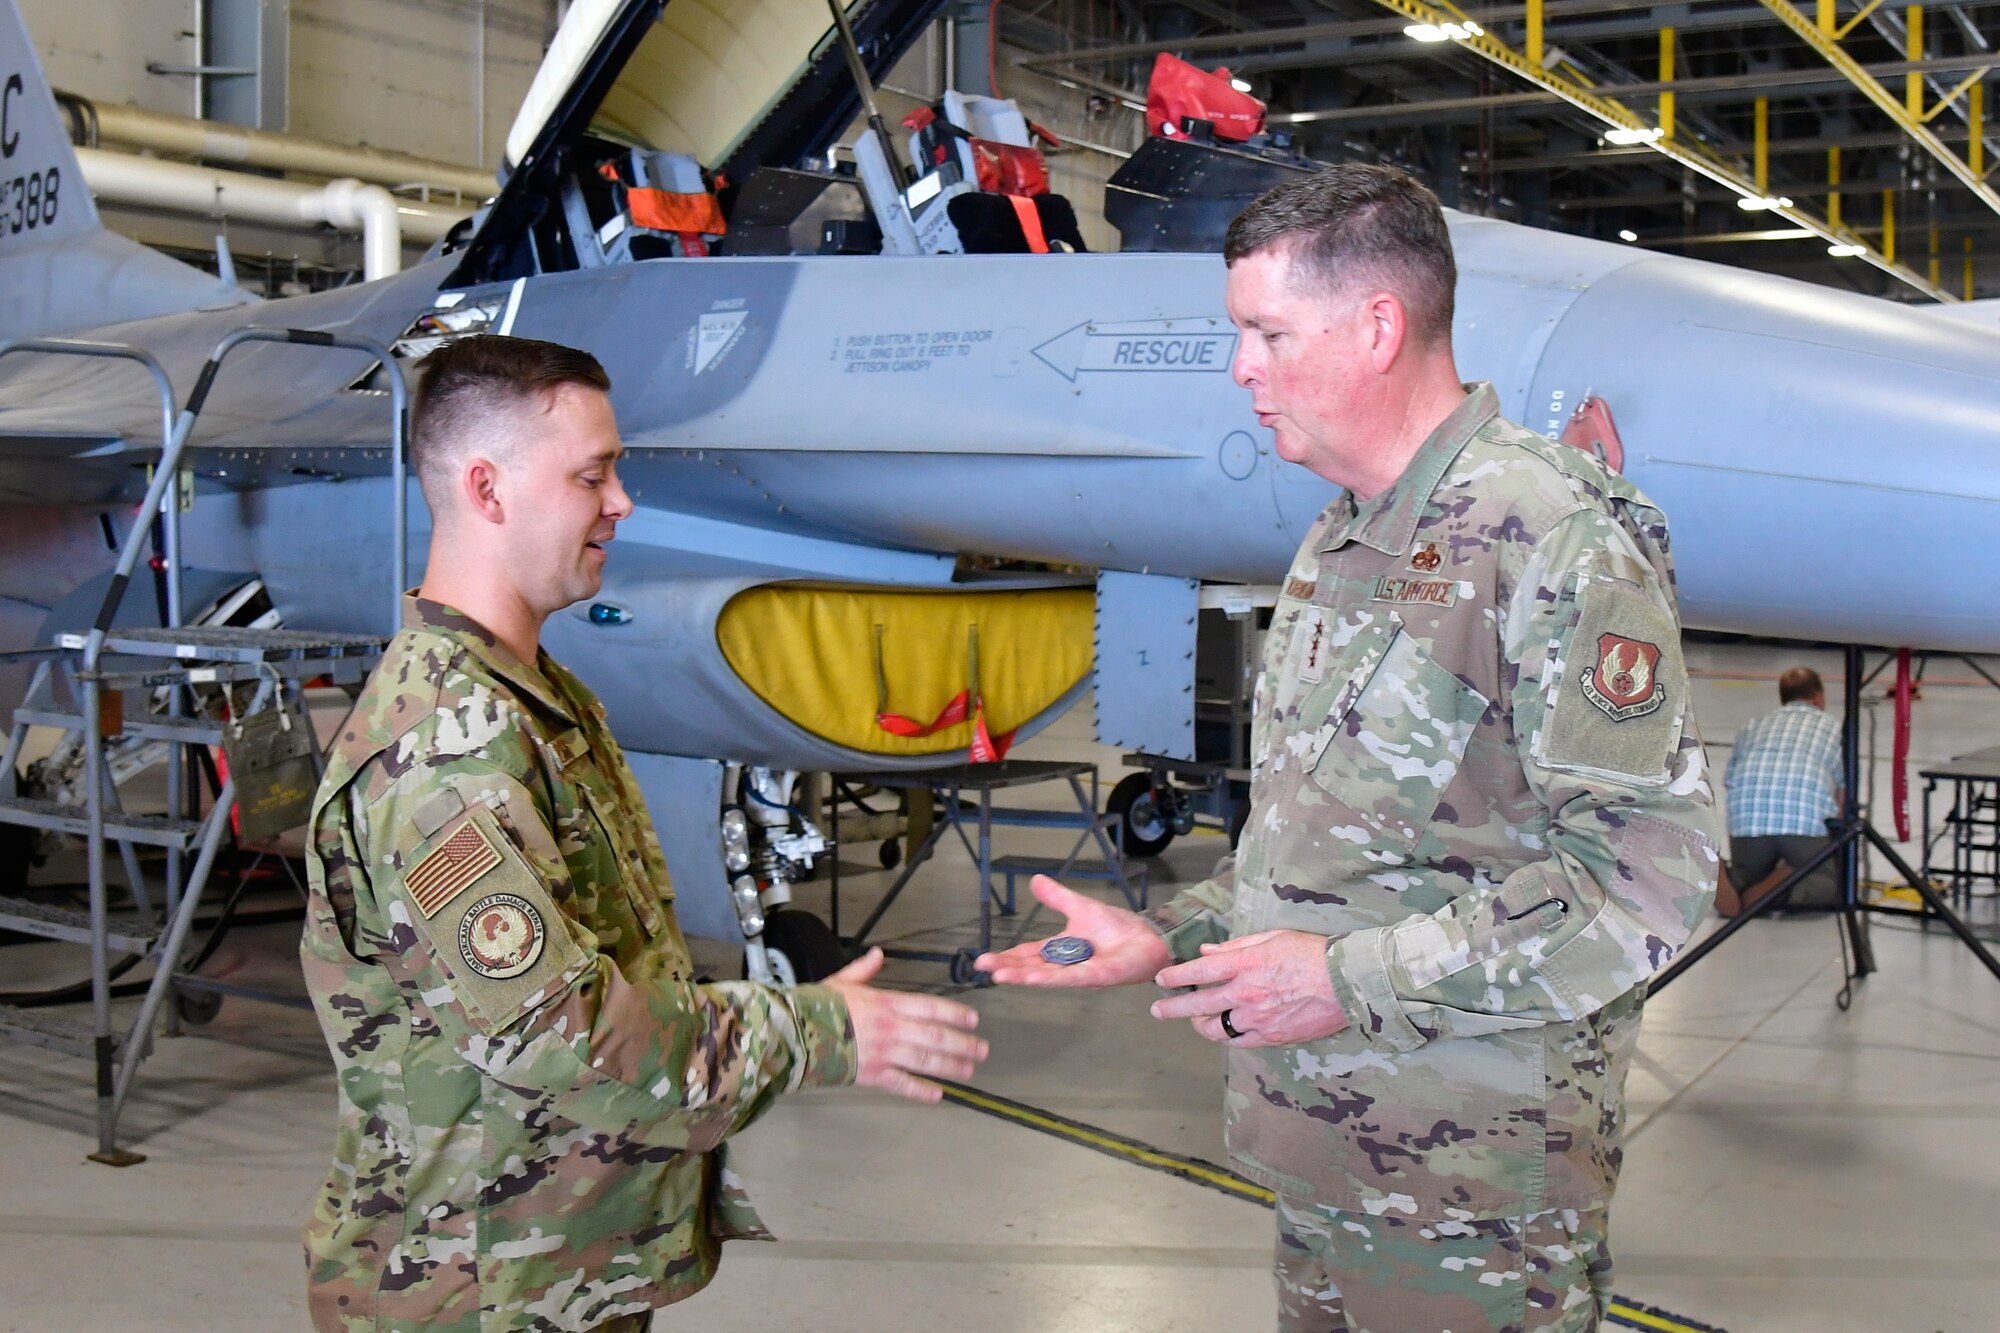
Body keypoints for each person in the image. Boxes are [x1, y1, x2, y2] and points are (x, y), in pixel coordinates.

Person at [980, 165, 1720, 1332]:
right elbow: (1330, 843)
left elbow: (1641, 885)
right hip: (1327, 1149)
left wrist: (1338, 981)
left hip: (1474, 1190)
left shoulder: (1552, 536)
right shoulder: (1343, 536)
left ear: (1377, 327)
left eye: (1265, 332)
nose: (1241, 369)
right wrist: (1171, 933)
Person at [300, 334, 988, 1332]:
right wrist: (812, 1032)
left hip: (551, 1271)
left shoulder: (537, 701)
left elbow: (619, 975)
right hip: (472, 1292)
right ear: (487, 490)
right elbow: (560, 1039)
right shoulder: (445, 755)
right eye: (593, 475)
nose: (620, 503)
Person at [1719, 666, 1844, 915]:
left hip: (1747, 819)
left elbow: (1730, 781)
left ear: (1783, 697)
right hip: (1801, 823)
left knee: (1748, 872)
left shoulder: (1752, 726)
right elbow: (1843, 795)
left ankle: (1728, 877)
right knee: (1828, 883)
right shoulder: (1833, 728)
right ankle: (1783, 885)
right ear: (1819, 698)